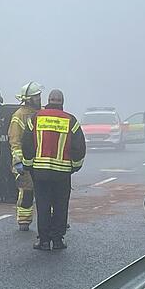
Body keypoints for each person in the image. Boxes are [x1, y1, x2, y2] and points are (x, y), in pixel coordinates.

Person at [21, 89, 85, 250]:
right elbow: (79, 147)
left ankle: (43, 241)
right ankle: (57, 241)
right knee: (60, 206)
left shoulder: (35, 118)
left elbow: (27, 143)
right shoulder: (71, 120)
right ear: (62, 102)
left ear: (48, 100)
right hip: (62, 173)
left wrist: (28, 165)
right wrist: (75, 166)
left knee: (43, 205)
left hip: (40, 172)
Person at [8, 81, 42, 231]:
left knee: (46, 191)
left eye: (39, 95)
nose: (39, 98)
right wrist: (18, 162)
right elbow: (15, 141)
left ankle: (54, 220)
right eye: (36, 96)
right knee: (27, 192)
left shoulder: (41, 113)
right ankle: (24, 221)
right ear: (28, 99)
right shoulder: (19, 116)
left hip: (41, 160)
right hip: (25, 163)